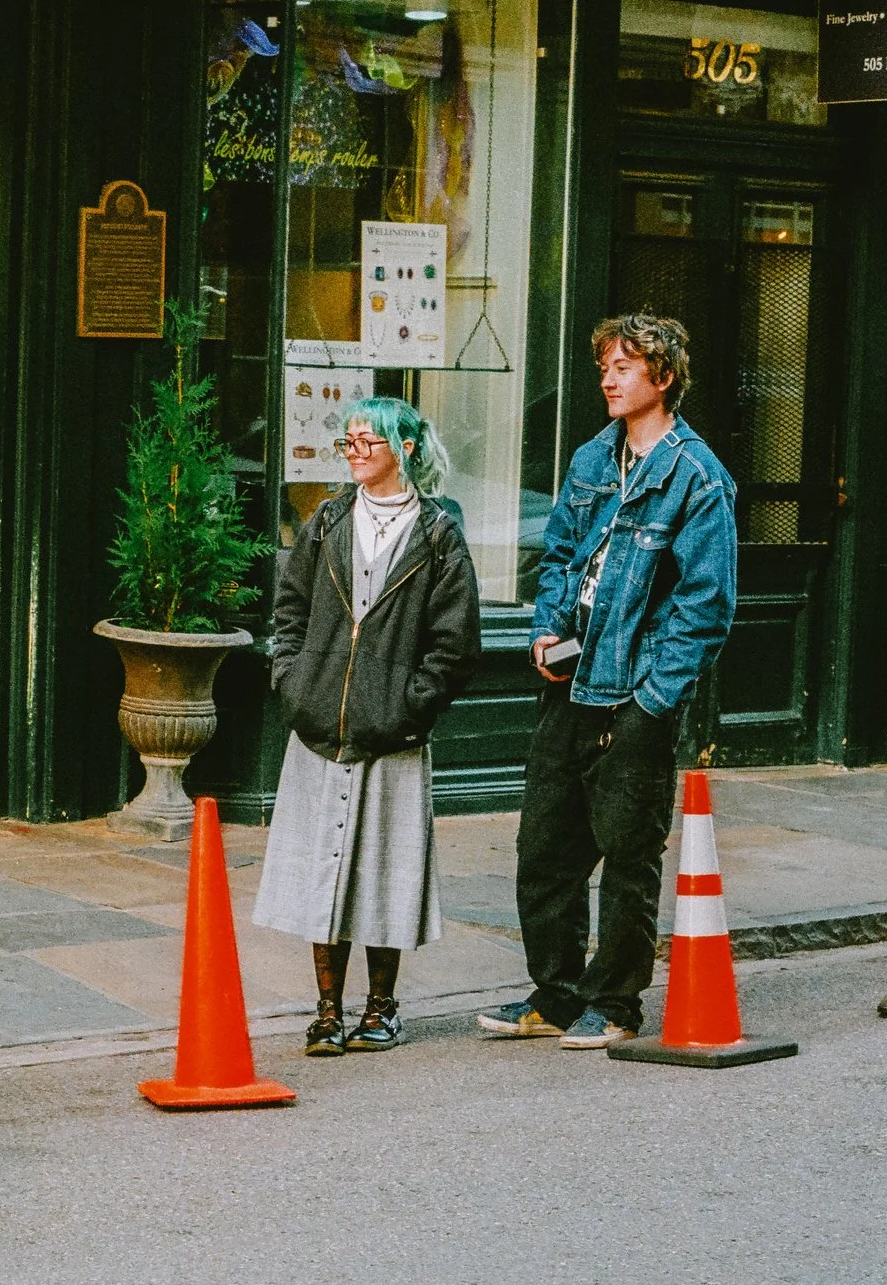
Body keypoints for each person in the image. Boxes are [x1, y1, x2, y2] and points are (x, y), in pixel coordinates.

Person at [482, 313, 737, 1048]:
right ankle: (554, 993)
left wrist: (653, 698)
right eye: (604, 365)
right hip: (571, 680)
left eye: (624, 366)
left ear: (663, 377)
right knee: (546, 846)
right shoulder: (594, 457)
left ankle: (616, 1003)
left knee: (627, 852)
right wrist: (545, 626)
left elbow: (706, 604)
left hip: (634, 691)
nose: (607, 377)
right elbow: (560, 552)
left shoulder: (696, 477)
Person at [256, 396, 483, 1055]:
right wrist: (295, 686)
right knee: (321, 873)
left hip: (393, 731)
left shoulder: (438, 532)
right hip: (319, 725)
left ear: (405, 449)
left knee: (388, 869)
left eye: (367, 442)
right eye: (348, 441)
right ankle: (327, 1011)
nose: (354, 451)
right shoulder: (327, 520)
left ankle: (382, 1008)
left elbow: (456, 641)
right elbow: (290, 608)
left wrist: (410, 705)